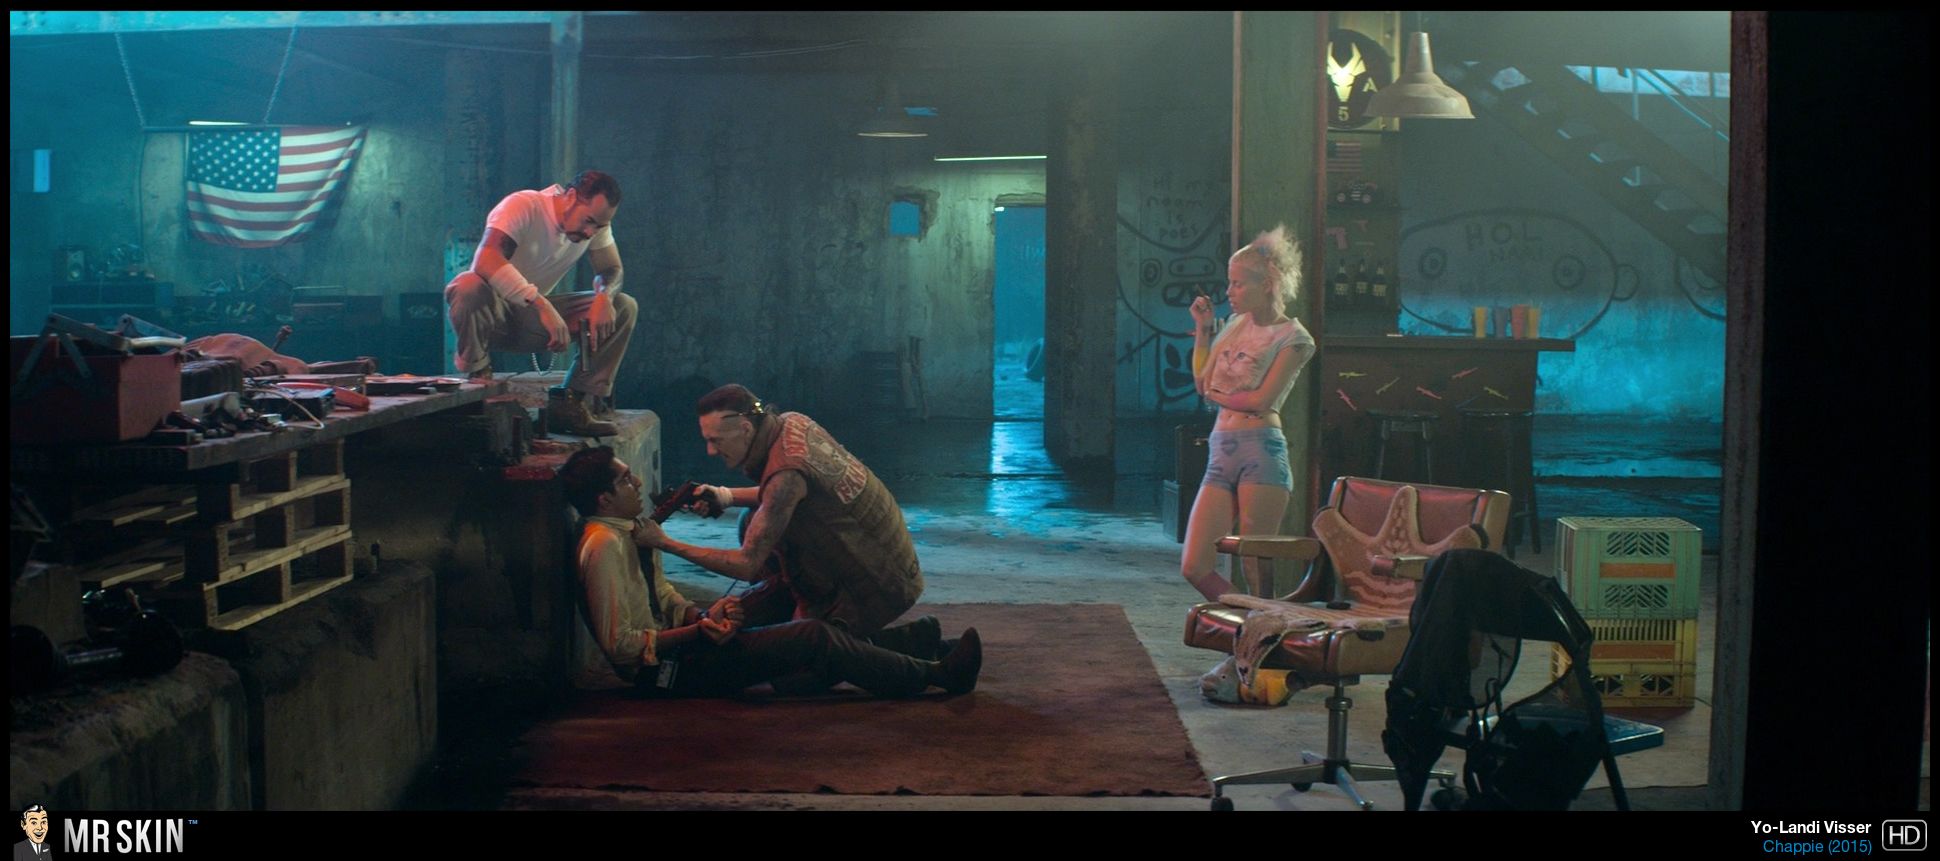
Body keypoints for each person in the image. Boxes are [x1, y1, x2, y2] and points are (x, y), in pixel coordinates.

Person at [558, 446, 982, 698]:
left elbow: (663, 596)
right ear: (604, 499)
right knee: (811, 636)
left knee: (783, 590)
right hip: (665, 672)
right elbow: (623, 648)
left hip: (688, 639)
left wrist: (704, 615)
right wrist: (698, 632)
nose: (636, 483)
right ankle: (932, 674)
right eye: (625, 480)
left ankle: (909, 645)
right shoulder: (603, 546)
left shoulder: (634, 530)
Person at [631, 384, 952, 662]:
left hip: (877, 584)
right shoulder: (792, 422)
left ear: (745, 428)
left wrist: (665, 543)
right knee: (750, 520)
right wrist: (724, 495)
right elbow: (784, 492)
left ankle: (906, 641)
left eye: (716, 440)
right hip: (894, 560)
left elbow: (746, 564)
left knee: (796, 673)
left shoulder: (786, 475)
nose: (711, 451)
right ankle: (802, 605)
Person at [1181, 225, 1319, 601]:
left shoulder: (1294, 337)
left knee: (1255, 566)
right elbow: (1202, 382)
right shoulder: (1234, 325)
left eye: (1238, 284)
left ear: (1267, 284)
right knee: (1194, 565)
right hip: (1221, 450)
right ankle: (1252, 622)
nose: (1229, 292)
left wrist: (1218, 394)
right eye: (1229, 283)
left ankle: (1262, 629)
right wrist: (1204, 330)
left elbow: (1261, 400)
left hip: (1260, 450)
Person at [445, 170, 636, 437]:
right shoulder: (524, 205)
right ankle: (480, 384)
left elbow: (612, 269)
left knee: (624, 306)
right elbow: (486, 260)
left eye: (599, 227)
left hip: (534, 325)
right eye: (589, 221)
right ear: (571, 196)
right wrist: (540, 303)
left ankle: (571, 403)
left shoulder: (595, 227)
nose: (590, 232)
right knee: (467, 285)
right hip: (492, 317)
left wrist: (604, 296)